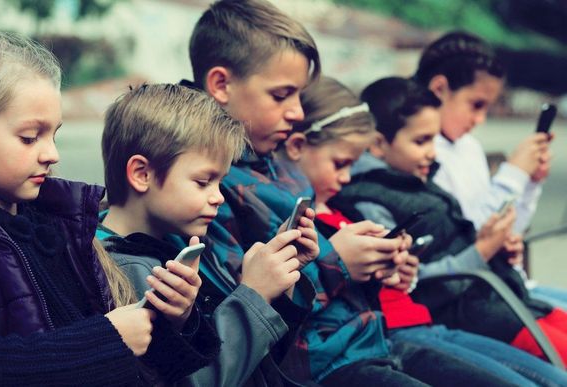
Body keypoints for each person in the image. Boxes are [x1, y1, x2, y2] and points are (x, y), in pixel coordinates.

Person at [182, 1, 516, 386]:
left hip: (365, 341)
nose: (295, 113)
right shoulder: (206, 180)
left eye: (299, 96)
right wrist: (337, 260)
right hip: (319, 364)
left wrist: (374, 265)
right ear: (221, 84)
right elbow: (244, 308)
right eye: (281, 95)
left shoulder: (268, 160)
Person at [0, 31, 219, 386]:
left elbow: (147, 368)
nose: (52, 154)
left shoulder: (54, 226)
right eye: (30, 137)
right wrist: (109, 339)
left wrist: (176, 318)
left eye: (54, 135)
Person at [281, 74, 567, 387]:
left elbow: (414, 272)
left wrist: (400, 268)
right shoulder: (356, 199)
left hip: (449, 311)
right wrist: (483, 248)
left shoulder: (407, 184)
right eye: (422, 141)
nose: (433, 152)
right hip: (443, 314)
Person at [96, 83, 319, 387]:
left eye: (220, 182)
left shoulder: (181, 241)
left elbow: (253, 361)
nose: (218, 197)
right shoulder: (130, 271)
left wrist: (277, 284)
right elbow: (197, 381)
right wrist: (254, 295)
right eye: (203, 182)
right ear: (142, 174)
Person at [413, 31, 567, 311]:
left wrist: (530, 181)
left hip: (504, 284)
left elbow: (507, 228)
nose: (480, 119)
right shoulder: (421, 154)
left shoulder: (467, 146)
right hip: (475, 298)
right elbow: (473, 236)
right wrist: (514, 173)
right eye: (476, 105)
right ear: (439, 89)